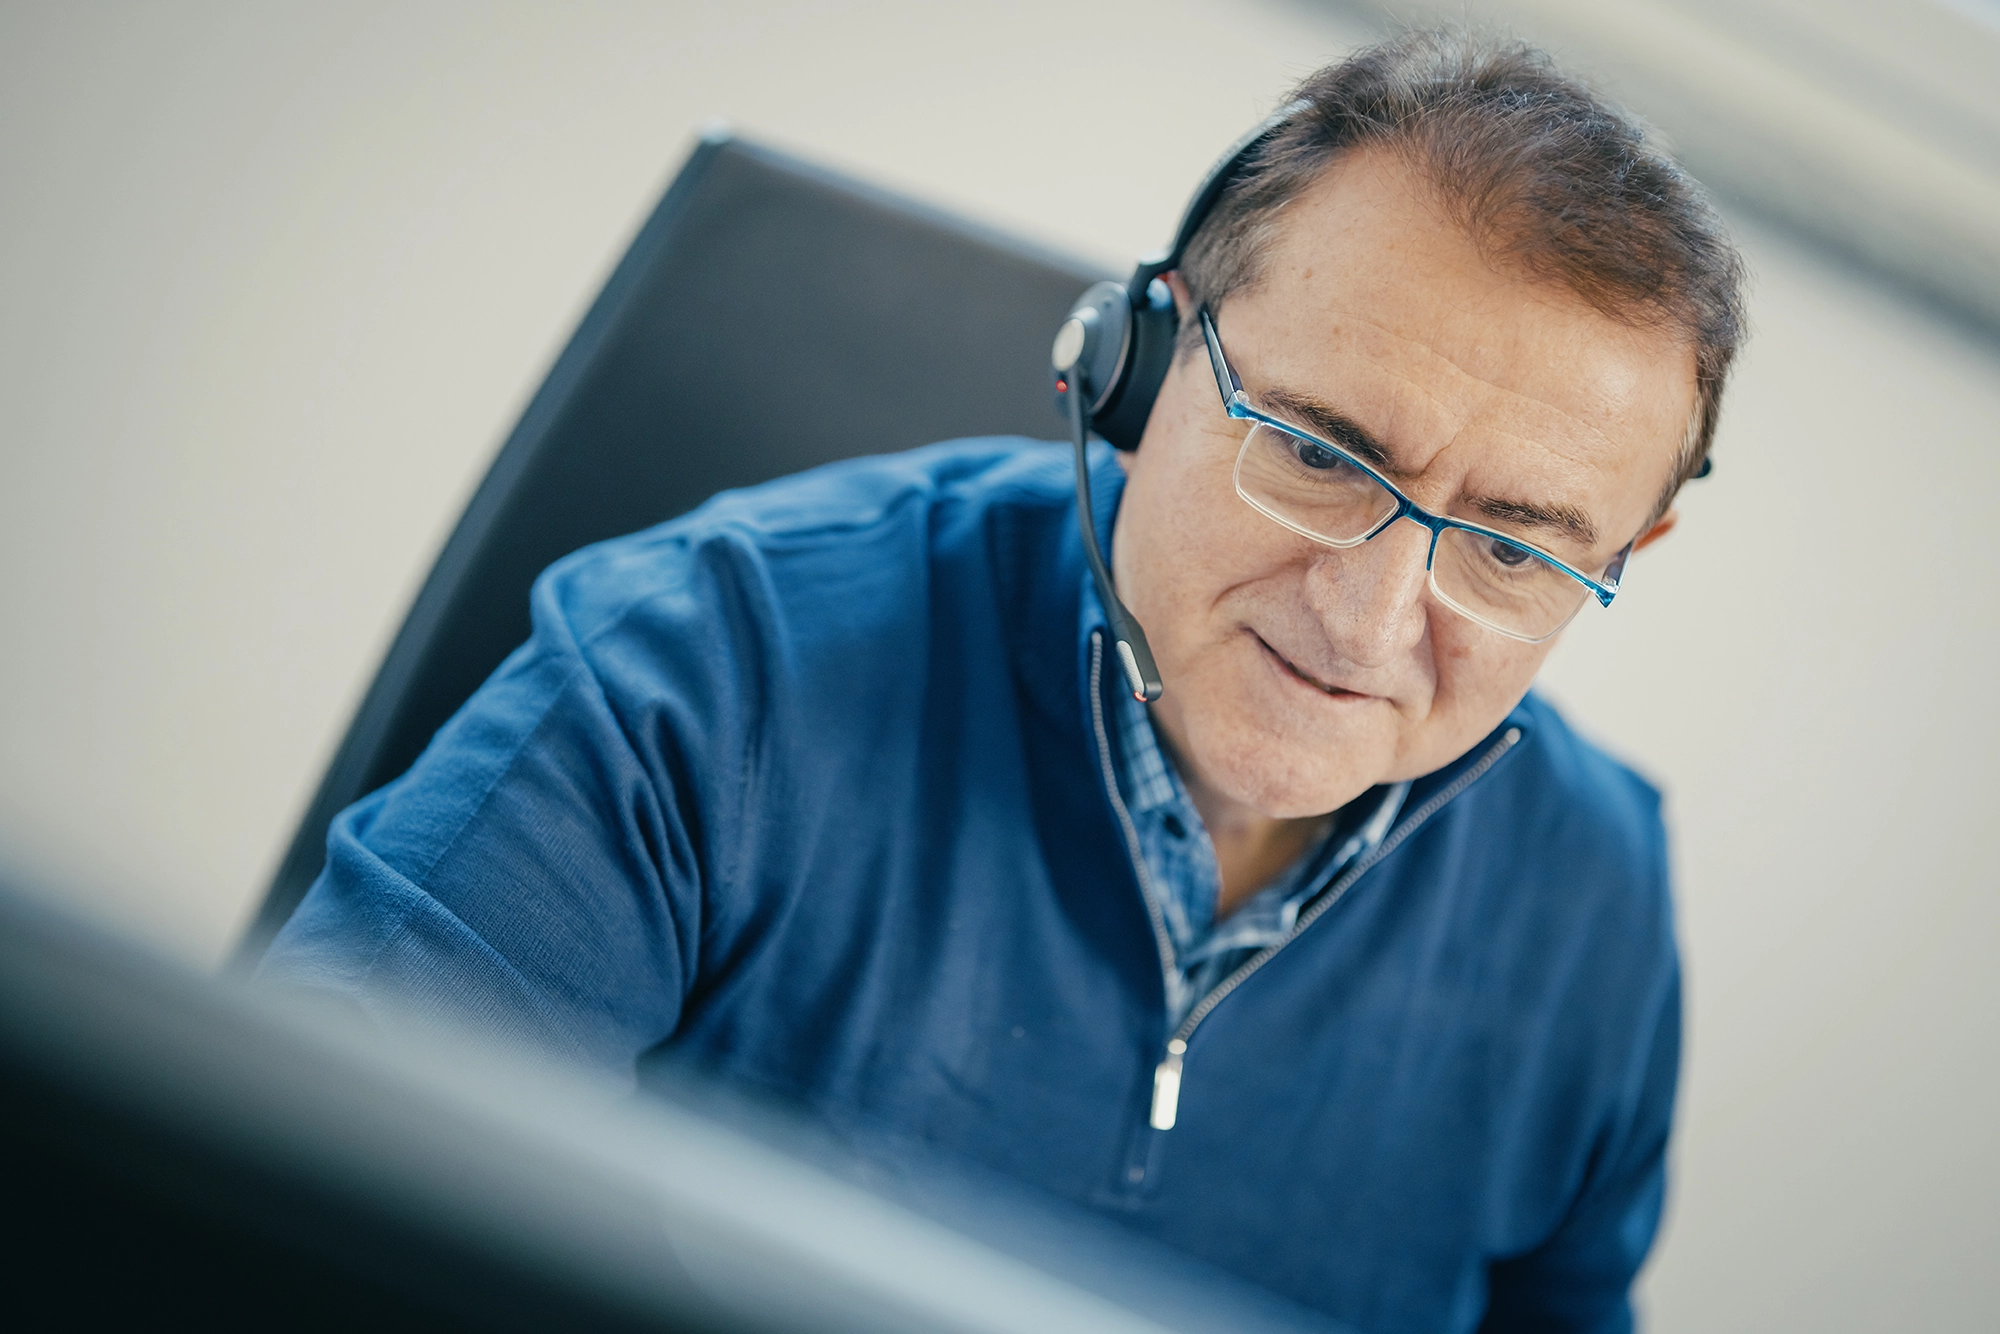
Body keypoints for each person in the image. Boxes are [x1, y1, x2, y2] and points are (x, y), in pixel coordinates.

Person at [263, 29, 1745, 1334]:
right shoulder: (712, 666)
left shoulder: (1594, 904)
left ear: (1627, 551)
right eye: (1314, 451)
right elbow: (275, 1204)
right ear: (1142, 364)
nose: (1368, 620)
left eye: (1507, 548)